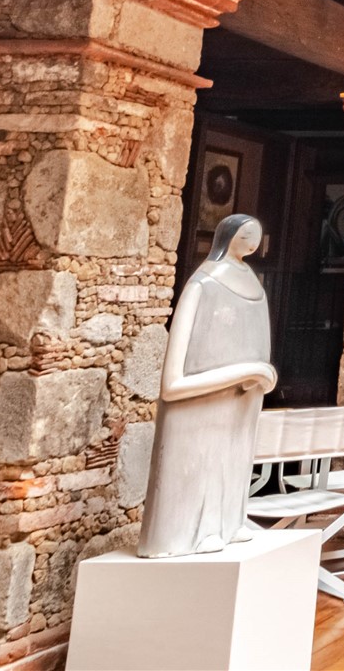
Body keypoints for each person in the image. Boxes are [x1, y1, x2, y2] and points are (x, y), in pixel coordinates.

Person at [138, 214, 276, 557]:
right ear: (228, 237)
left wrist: (260, 375)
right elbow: (174, 379)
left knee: (231, 459)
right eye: (247, 234)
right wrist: (246, 371)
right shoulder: (202, 284)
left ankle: (228, 522)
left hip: (239, 402)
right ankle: (197, 530)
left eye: (257, 235)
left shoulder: (254, 285)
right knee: (202, 461)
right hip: (201, 405)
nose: (254, 241)